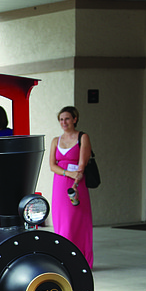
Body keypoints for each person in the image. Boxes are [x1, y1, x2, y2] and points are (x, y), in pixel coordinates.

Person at [49, 106, 94, 267]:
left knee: (76, 222)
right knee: (61, 222)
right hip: (60, 183)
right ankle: (63, 258)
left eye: (67, 118)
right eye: (61, 119)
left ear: (74, 119)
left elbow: (82, 165)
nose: (64, 122)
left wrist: (75, 182)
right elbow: (52, 166)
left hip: (76, 185)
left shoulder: (82, 137)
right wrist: (67, 173)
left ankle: (80, 260)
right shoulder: (56, 140)